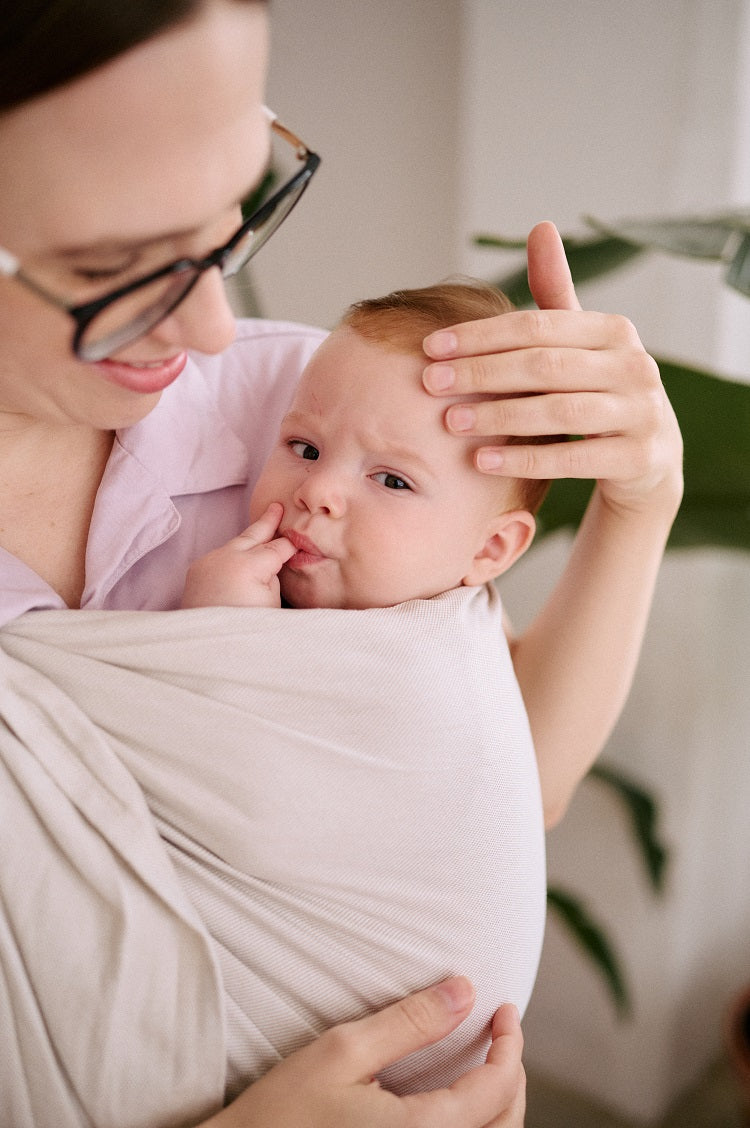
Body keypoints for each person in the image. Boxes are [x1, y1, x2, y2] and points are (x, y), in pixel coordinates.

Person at [0, 2, 683, 1126]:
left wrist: (640, 499)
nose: (217, 327)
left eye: (231, 220)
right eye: (121, 268)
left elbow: (511, 777)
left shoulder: (294, 406)